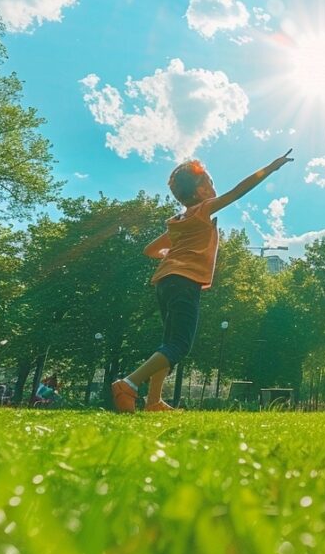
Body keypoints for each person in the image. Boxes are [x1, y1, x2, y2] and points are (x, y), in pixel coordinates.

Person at [111, 150, 294, 413]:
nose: (213, 186)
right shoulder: (202, 210)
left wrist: (171, 254)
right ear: (198, 192)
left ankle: (153, 402)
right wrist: (271, 167)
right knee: (179, 345)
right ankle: (129, 384)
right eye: (207, 182)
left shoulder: (178, 222)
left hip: (165, 281)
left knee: (169, 342)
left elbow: (149, 250)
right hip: (185, 281)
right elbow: (238, 191)